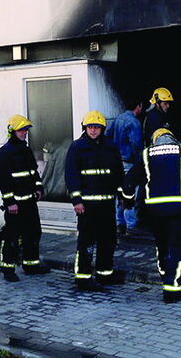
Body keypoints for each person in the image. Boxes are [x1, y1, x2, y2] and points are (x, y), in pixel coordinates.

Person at [121, 126, 181, 303]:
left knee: (162, 245)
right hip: (179, 209)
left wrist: (128, 201)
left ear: (155, 140)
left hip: (155, 211)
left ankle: (165, 278)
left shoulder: (146, 154)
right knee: (178, 247)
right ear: (172, 138)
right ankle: (172, 288)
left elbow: (128, 182)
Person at [64, 110, 125, 291]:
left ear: (102, 129)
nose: (93, 130)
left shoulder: (110, 147)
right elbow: (71, 175)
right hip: (87, 206)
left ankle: (104, 274)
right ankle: (83, 278)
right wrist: (76, 200)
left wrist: (121, 195)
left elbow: (118, 173)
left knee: (108, 240)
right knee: (86, 241)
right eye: (90, 127)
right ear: (84, 128)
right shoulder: (77, 147)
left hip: (107, 204)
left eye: (97, 127)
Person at [0, 114, 50, 282]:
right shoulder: (4, 153)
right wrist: (10, 202)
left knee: (33, 233)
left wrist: (39, 188)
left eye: (25, 130)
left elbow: (33, 172)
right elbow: (3, 180)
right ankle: (7, 269)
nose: (24, 132)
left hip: (30, 202)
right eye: (21, 130)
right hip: (15, 205)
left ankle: (31, 265)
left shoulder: (26, 150)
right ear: (12, 131)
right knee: (12, 236)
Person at [106, 98, 144, 236]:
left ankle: (119, 223)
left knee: (119, 193)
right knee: (130, 194)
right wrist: (140, 163)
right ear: (138, 106)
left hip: (117, 163)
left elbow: (108, 136)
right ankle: (131, 226)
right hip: (129, 163)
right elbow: (136, 144)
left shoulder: (117, 119)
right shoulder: (134, 122)